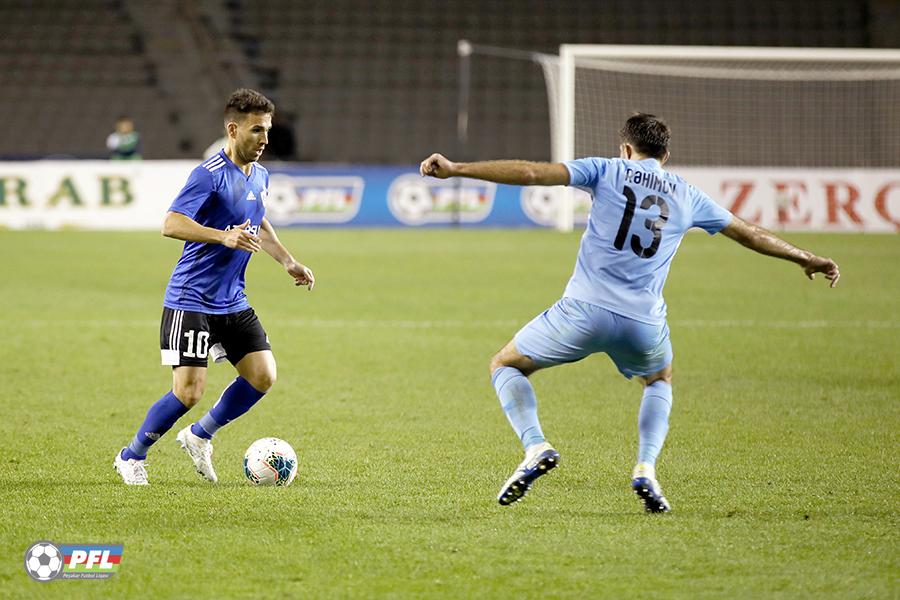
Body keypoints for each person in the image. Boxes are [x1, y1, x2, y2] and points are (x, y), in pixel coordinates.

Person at [419, 113, 840, 512]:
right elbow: (748, 234)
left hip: (582, 312)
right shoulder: (687, 194)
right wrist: (805, 257)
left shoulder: (605, 170)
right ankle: (646, 469)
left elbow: (531, 174)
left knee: (505, 365)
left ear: (625, 148)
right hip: (643, 322)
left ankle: (536, 446)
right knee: (658, 379)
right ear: (666, 156)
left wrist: (457, 169)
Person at [114, 88, 315, 485]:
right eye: (257, 130)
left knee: (263, 375)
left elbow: (259, 221)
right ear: (233, 129)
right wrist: (222, 236)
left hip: (232, 300)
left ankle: (199, 435)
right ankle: (130, 456)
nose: (264, 140)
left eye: (268, 131)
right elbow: (171, 223)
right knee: (188, 393)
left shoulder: (260, 175)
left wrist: (288, 261)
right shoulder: (207, 175)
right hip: (191, 299)